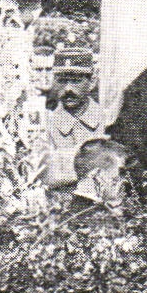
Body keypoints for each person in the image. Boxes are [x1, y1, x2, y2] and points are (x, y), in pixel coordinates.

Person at [41, 51, 104, 194]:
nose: (68, 88)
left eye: (76, 81)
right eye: (62, 81)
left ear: (92, 82)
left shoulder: (107, 121)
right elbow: (42, 173)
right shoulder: (44, 124)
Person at [65, 138, 130, 222]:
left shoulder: (71, 209)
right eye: (116, 178)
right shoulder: (91, 215)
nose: (122, 181)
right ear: (95, 174)